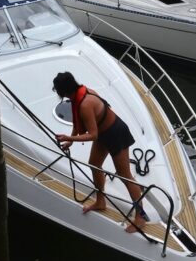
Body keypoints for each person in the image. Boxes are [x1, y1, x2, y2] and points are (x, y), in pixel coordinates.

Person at [53, 71, 149, 234]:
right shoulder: (79, 95)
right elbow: (79, 125)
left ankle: (140, 218)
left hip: (116, 133)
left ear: (63, 91)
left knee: (124, 175)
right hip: (104, 134)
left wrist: (70, 137)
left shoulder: (85, 104)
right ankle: (100, 201)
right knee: (94, 164)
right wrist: (70, 139)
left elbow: (92, 134)